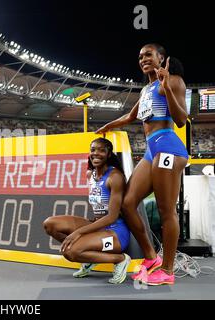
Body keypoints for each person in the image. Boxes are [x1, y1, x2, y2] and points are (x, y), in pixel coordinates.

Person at [95, 44, 188, 285]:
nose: (143, 59)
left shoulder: (174, 81)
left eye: (148, 54)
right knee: (127, 202)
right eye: (140, 56)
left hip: (168, 148)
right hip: (151, 150)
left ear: (161, 58)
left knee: (166, 210)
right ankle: (151, 257)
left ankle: (167, 270)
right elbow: (130, 116)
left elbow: (180, 120)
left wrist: (167, 88)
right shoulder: (146, 89)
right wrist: (108, 127)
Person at [44, 138, 131, 284]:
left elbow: (112, 217)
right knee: (50, 224)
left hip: (115, 232)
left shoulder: (115, 177)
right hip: (98, 226)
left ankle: (120, 259)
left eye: (101, 150)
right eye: (93, 150)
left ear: (109, 154)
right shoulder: (90, 175)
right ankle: (89, 258)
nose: (96, 153)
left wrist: (78, 232)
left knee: (70, 252)